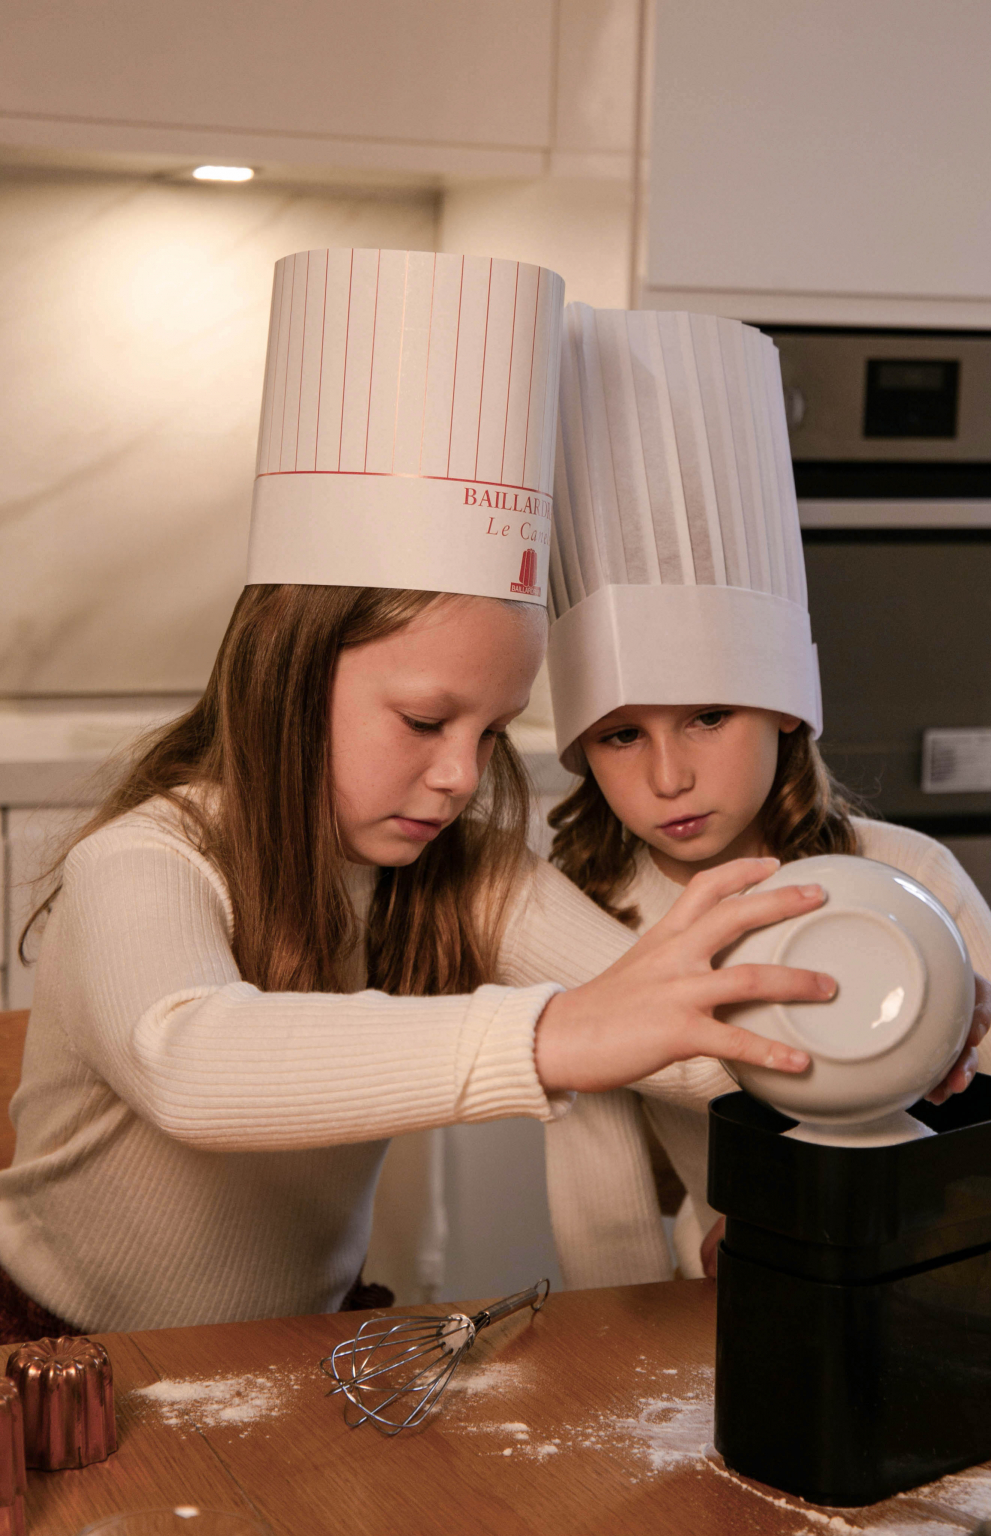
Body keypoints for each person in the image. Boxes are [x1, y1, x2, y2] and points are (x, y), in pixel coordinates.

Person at [0, 250, 837, 1340]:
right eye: (425, 720)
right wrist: (548, 1037)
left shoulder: (449, 876)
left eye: (491, 731)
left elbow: (676, 1036)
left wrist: (888, 1050)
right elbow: (194, 1062)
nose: (459, 775)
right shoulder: (149, 862)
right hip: (55, 1354)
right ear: (292, 670)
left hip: (303, 1344)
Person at [543, 302, 991, 1288]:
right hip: (734, 1295)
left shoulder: (904, 879)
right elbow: (602, 1209)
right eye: (621, 736)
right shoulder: (584, 916)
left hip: (931, 1272)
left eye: (708, 717)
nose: (667, 775)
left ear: (785, 711)